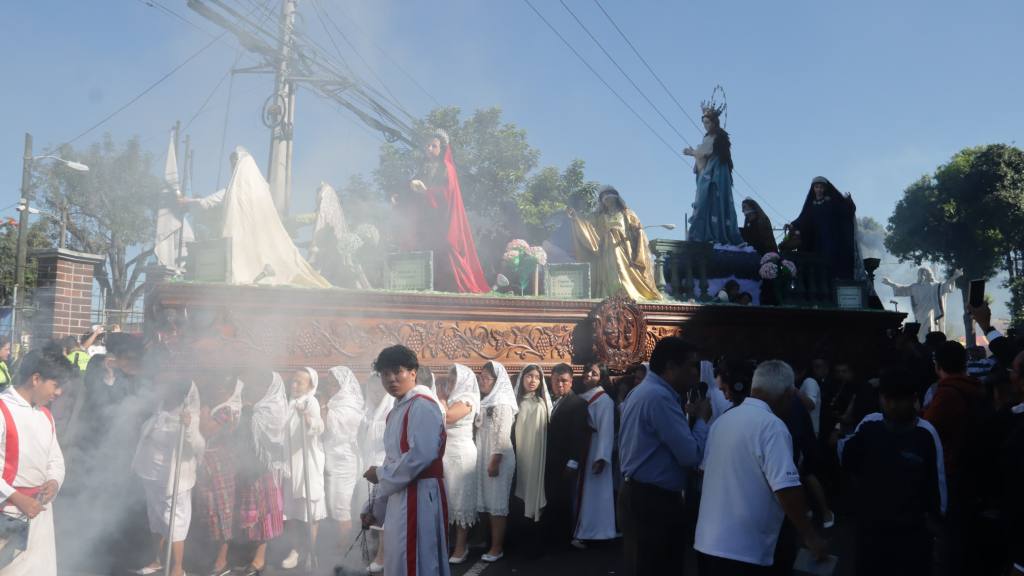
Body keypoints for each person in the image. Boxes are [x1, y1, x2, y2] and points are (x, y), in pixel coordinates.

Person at [695, 360, 826, 575]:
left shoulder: (722, 421)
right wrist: (810, 535)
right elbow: (786, 489)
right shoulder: (772, 426)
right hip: (746, 553)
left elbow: (704, 471)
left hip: (708, 545)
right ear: (786, 395)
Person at [838, 366, 946, 576]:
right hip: (874, 532)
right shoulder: (869, 426)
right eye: (889, 399)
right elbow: (847, 460)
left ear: (914, 399)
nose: (893, 405)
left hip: (909, 533)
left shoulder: (924, 433)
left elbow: (937, 487)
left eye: (899, 399)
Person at [618, 337, 708, 576]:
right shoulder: (659, 397)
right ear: (671, 367)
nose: (695, 374)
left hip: (639, 494)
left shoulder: (643, 392)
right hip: (653, 502)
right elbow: (690, 455)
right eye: (691, 366)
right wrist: (701, 420)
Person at [180, 147, 330, 288]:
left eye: (234, 165)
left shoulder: (234, 190)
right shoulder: (263, 189)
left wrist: (187, 201)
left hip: (239, 246)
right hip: (261, 245)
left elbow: (207, 203)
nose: (233, 170)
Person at [360, 345, 450, 576]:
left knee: (417, 559)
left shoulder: (422, 405)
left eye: (397, 371)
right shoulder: (397, 409)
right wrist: (375, 506)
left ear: (413, 372)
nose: (391, 379)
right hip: (402, 493)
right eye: (385, 374)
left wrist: (380, 474)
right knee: (400, 558)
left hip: (420, 493)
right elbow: (392, 460)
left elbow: (420, 456)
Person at [0, 350, 73, 576]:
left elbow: (55, 459)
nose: (58, 392)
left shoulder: (45, 415)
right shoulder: (2, 410)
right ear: (36, 379)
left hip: (39, 511)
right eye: (55, 385)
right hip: (7, 512)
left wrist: (54, 481)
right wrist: (16, 497)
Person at [132, 378, 205, 576]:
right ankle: (157, 560)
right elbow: (146, 432)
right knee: (156, 520)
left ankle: (177, 568)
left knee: (176, 525)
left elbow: (198, 446)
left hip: (175, 479)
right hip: (152, 475)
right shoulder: (160, 409)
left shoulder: (189, 415)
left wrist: (188, 427)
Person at [923, 341, 983, 576]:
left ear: (937, 365)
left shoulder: (946, 393)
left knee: (949, 536)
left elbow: (929, 427)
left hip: (951, 469)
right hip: (972, 467)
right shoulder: (976, 388)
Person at [403, 129, 489, 293]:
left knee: (448, 254)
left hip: (444, 221)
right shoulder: (423, 168)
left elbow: (447, 192)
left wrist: (427, 192)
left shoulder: (446, 168)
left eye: (433, 146)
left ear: (441, 149)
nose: (428, 149)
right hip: (426, 222)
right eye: (427, 145)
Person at [233, 369, 287, 576]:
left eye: (263, 386)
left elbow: (276, 440)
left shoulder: (277, 408)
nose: (258, 390)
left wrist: (252, 414)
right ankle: (250, 554)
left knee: (262, 514)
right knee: (249, 514)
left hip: (266, 469)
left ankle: (259, 559)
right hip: (246, 465)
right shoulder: (250, 408)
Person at [568, 186, 662, 300]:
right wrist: (576, 218)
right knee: (610, 273)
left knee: (624, 270)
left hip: (624, 249)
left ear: (616, 199)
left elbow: (638, 231)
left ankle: (628, 293)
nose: (607, 201)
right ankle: (610, 294)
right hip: (606, 250)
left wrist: (637, 232)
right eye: (605, 200)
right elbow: (587, 227)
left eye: (610, 198)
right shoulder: (599, 217)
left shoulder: (627, 213)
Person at [280, 368, 326, 570]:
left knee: (309, 510)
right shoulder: (288, 403)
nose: (294, 385)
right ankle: (296, 549)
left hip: (307, 463)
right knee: (292, 511)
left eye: (300, 382)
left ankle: (310, 551)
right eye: (293, 381)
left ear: (310, 385)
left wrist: (307, 418)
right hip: (290, 463)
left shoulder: (311, 401)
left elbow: (318, 426)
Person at [196, 375, 242, 576]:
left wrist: (204, 410)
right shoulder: (218, 407)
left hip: (221, 464)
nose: (218, 392)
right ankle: (211, 553)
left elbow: (205, 430)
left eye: (223, 389)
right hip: (206, 463)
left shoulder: (228, 409)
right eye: (217, 387)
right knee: (208, 509)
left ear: (232, 390)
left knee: (223, 510)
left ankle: (222, 560)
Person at [683, 99, 742, 246]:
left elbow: (705, 152)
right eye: (704, 123)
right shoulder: (712, 137)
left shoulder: (717, 137)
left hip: (715, 173)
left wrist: (691, 152)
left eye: (708, 122)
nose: (705, 126)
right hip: (713, 171)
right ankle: (712, 232)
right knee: (709, 200)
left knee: (709, 199)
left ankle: (714, 233)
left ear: (714, 122)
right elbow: (704, 153)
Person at [543, 363, 589, 551]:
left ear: (571, 382)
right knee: (552, 499)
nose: (559, 385)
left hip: (565, 461)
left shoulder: (578, 403)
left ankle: (562, 541)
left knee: (562, 500)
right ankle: (552, 537)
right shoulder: (549, 401)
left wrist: (573, 461)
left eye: (564, 381)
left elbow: (579, 435)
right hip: (549, 460)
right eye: (556, 381)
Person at [475, 361, 517, 562]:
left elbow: (502, 435)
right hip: (485, 455)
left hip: (497, 458)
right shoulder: (485, 400)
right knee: (487, 502)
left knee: (497, 504)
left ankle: (497, 547)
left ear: (497, 380)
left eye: (486, 378)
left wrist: (495, 460)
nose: (481, 381)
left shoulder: (502, 401)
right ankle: (487, 541)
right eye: (480, 376)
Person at [436, 364, 479, 564]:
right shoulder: (449, 399)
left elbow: (449, 417)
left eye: (454, 380)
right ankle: (445, 544)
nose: (450, 384)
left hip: (462, 455)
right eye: (449, 380)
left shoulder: (468, 398)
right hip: (445, 454)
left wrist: (441, 397)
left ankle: (461, 547)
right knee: (446, 501)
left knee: (461, 500)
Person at [572, 362, 617, 546]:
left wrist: (601, 457)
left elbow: (606, 430)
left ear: (602, 378)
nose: (588, 375)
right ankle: (584, 529)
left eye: (594, 373)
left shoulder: (604, 399)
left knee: (594, 492)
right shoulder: (582, 396)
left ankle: (595, 530)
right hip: (584, 445)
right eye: (587, 371)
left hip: (595, 447)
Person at [322, 366, 365, 549]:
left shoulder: (350, 404)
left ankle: (346, 547)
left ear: (343, 384)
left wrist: (323, 408)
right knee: (332, 503)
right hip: (331, 458)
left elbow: (333, 428)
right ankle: (340, 541)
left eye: (335, 383)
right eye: (329, 383)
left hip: (345, 460)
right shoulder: (335, 402)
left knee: (341, 504)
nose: (331, 387)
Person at [512, 364, 552, 547]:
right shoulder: (515, 403)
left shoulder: (541, 403)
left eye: (537, 377)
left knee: (533, 491)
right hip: (518, 456)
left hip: (536, 456)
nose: (533, 380)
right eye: (529, 376)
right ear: (522, 378)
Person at [789, 176, 858, 280]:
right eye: (817, 187)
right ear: (813, 189)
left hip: (831, 238)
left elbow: (844, 212)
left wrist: (848, 203)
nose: (819, 189)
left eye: (821, 187)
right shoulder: (811, 205)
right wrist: (792, 225)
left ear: (825, 188)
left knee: (831, 261)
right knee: (817, 262)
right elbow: (803, 218)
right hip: (816, 239)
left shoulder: (831, 202)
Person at [883, 267, 964, 340]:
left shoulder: (934, 286)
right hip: (919, 314)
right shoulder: (915, 287)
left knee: (929, 331)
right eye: (921, 273)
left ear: (929, 274)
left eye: (925, 273)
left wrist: (955, 277)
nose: (923, 275)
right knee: (920, 333)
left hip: (930, 314)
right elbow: (902, 289)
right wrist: (890, 283)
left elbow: (945, 285)